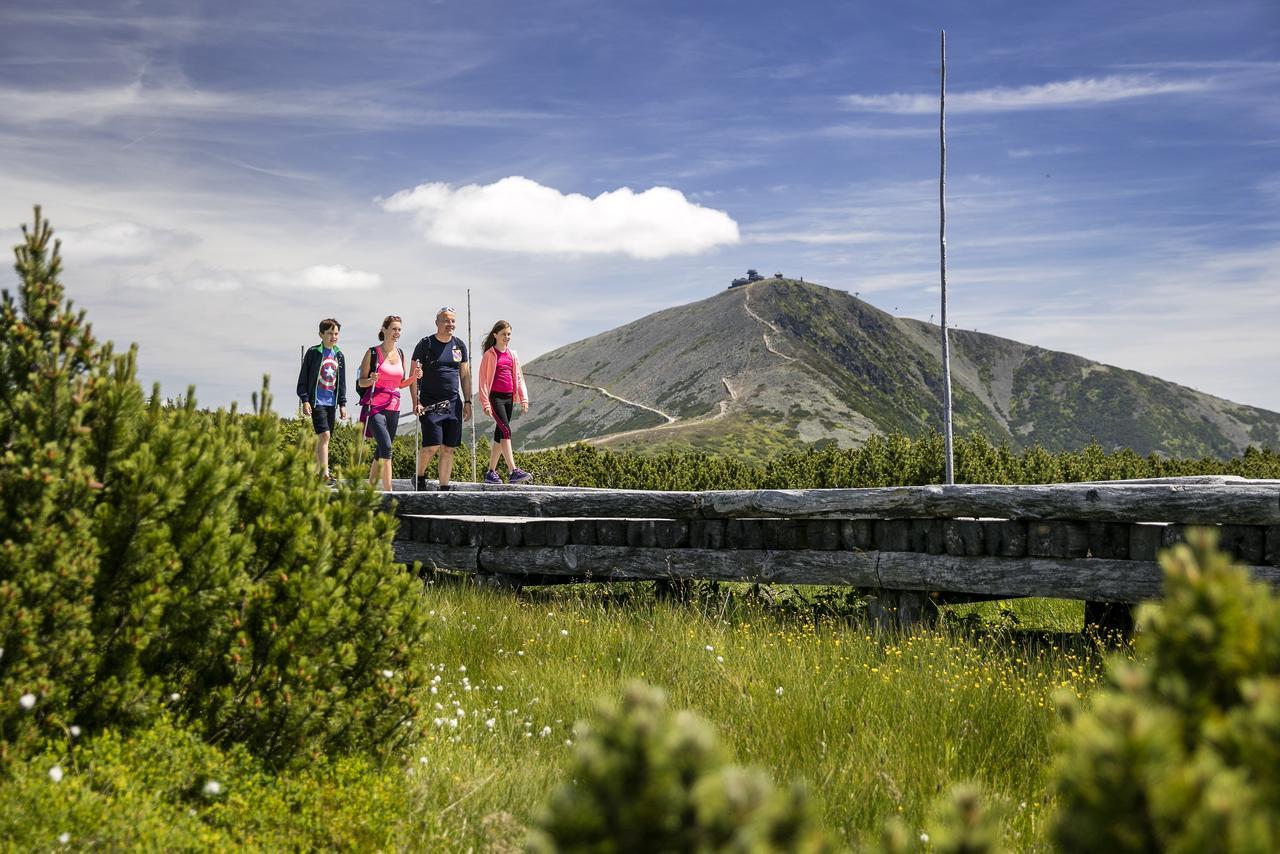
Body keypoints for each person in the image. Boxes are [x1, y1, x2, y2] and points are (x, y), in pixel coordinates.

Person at [357, 315, 420, 491]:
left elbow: (400, 383)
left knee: (381, 450)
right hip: (375, 407)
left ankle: (370, 487)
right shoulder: (372, 353)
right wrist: (371, 380)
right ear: (384, 330)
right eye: (393, 329)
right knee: (386, 447)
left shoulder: (400, 354)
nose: (397, 333)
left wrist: (414, 378)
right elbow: (361, 382)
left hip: (394, 408)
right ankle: (389, 492)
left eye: (399, 329)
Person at [411, 307, 472, 491]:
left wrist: (468, 402)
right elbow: (413, 376)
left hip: (453, 403)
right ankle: (419, 476)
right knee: (432, 445)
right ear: (437, 322)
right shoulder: (425, 344)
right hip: (430, 403)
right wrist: (416, 402)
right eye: (446, 321)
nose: (450, 324)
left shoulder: (459, 345)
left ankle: (444, 488)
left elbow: (465, 376)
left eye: (452, 321)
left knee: (448, 448)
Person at [477, 320, 532, 484]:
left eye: (509, 334)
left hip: (509, 398)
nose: (507, 337)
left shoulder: (513, 355)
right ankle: (513, 471)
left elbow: (519, 377)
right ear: (495, 335)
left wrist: (524, 399)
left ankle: (490, 473)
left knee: (499, 435)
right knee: (506, 431)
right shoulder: (489, 355)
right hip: (496, 398)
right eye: (503, 334)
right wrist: (485, 403)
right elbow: (483, 381)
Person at [296, 318, 346, 486]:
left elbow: (342, 381)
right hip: (317, 401)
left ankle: (317, 471)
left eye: (336, 333)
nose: (334, 336)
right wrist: (305, 400)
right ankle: (325, 473)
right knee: (324, 435)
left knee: (325, 438)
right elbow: (303, 378)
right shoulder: (313, 353)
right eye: (330, 333)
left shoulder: (339, 355)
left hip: (332, 402)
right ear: (321, 334)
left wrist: (342, 404)